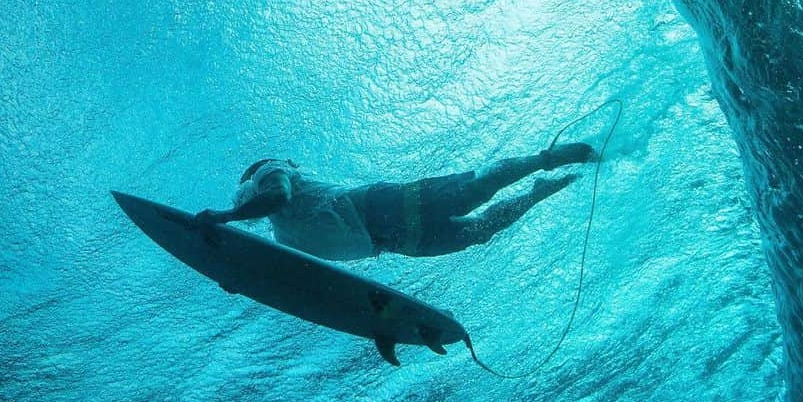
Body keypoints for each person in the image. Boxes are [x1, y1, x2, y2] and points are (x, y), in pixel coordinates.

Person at [193, 143, 596, 261]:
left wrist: (228, 215)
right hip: (393, 243)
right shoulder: (283, 236)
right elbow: (286, 276)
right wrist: (239, 275)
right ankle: (536, 194)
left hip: (385, 206)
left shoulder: (270, 172)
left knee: (476, 190)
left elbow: (276, 195)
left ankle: (545, 160)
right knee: (481, 231)